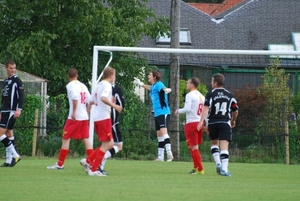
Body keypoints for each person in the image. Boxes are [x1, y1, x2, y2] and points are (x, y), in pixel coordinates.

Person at [47, 68, 94, 170]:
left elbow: (75, 97)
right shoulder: (83, 85)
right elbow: (91, 100)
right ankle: (92, 162)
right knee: (86, 139)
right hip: (84, 117)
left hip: (74, 117)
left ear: (68, 76)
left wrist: (74, 112)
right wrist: (87, 112)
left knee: (65, 138)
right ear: (77, 75)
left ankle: (60, 164)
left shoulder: (70, 85)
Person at [81, 67, 122, 176]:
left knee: (109, 143)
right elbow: (103, 98)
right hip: (104, 117)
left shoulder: (98, 85)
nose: (114, 77)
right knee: (107, 144)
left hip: (97, 118)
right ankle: (94, 169)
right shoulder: (107, 85)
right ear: (111, 75)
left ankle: (88, 161)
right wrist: (115, 106)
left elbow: (90, 101)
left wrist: (88, 115)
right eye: (114, 75)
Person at [197, 73, 238, 176]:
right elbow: (235, 110)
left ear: (215, 83)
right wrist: (233, 120)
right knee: (224, 146)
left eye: (212, 81)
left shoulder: (211, 94)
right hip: (225, 122)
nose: (211, 83)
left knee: (214, 143)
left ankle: (218, 163)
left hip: (213, 122)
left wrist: (202, 121)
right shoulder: (230, 94)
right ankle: (224, 169)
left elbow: (206, 107)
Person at [133, 70, 173, 162]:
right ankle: (160, 157)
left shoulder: (159, 84)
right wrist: (141, 84)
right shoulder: (154, 86)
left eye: (150, 74)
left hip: (163, 112)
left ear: (154, 77)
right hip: (157, 113)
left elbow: (162, 88)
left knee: (163, 132)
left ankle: (169, 153)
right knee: (159, 134)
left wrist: (165, 90)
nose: (148, 75)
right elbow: (150, 88)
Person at [175, 77, 205, 175]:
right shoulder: (202, 96)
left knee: (194, 147)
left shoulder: (189, 95)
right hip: (199, 123)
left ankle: (200, 169)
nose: (186, 84)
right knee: (193, 147)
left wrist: (178, 111)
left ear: (192, 84)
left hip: (191, 124)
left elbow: (187, 109)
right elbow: (205, 111)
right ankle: (196, 167)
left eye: (188, 83)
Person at [0, 60, 23, 167]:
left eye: (14, 68)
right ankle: (9, 161)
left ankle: (15, 155)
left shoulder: (17, 81)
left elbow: (21, 96)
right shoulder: (6, 81)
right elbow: (4, 97)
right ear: (6, 68)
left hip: (11, 111)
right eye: (11, 68)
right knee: (9, 134)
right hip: (4, 110)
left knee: (1, 134)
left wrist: (19, 109)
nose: (13, 70)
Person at [98, 83, 125, 175]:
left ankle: (94, 162)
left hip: (100, 119)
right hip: (112, 122)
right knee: (117, 146)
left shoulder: (99, 86)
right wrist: (117, 106)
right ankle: (97, 162)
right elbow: (121, 106)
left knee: (106, 144)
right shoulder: (116, 89)